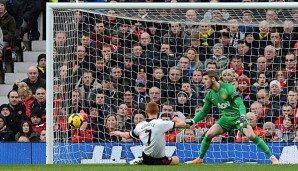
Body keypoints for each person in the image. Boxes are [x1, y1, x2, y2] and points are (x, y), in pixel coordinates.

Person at [185, 70, 278, 164]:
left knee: (250, 135)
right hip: (226, 119)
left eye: (205, 79)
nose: (203, 81)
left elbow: (240, 104)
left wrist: (242, 117)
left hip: (239, 117)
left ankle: (272, 157)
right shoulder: (209, 95)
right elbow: (204, 112)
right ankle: (200, 159)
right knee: (209, 134)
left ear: (213, 79)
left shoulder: (228, 88)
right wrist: (193, 120)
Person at [110, 102, 186, 165]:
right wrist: (176, 118)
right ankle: (141, 159)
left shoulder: (140, 125)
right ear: (158, 111)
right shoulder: (161, 123)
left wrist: (119, 132)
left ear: (146, 111)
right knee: (176, 159)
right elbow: (183, 124)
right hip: (161, 159)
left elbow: (127, 136)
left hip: (146, 158)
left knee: (146, 155)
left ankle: (141, 159)